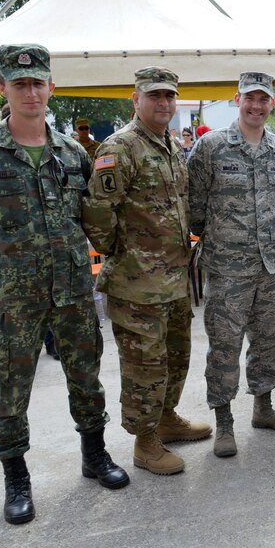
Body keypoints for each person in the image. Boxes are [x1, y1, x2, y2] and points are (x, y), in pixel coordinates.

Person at [0, 43, 128, 525]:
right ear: (2, 88)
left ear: (51, 88)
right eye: (20, 84)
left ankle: (94, 455)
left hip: (74, 291)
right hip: (17, 297)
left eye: (38, 83)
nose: (30, 92)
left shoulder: (72, 151)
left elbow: (89, 213)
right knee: (11, 385)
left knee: (86, 374)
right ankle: (16, 479)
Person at [83, 66, 211, 476]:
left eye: (169, 96)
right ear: (135, 99)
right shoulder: (119, 148)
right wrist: (127, 254)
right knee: (145, 367)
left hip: (173, 281)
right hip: (137, 286)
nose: (163, 103)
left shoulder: (169, 145)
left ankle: (166, 419)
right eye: (154, 95)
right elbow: (98, 215)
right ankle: (144, 442)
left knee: (176, 357)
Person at [188, 72, 275, 459]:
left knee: (269, 339)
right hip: (227, 267)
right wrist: (220, 240)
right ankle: (224, 422)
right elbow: (195, 206)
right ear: (237, 100)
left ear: (271, 104)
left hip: (271, 264)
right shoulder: (211, 146)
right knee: (224, 346)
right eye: (249, 98)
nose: (256, 106)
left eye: (263, 99)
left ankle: (263, 408)